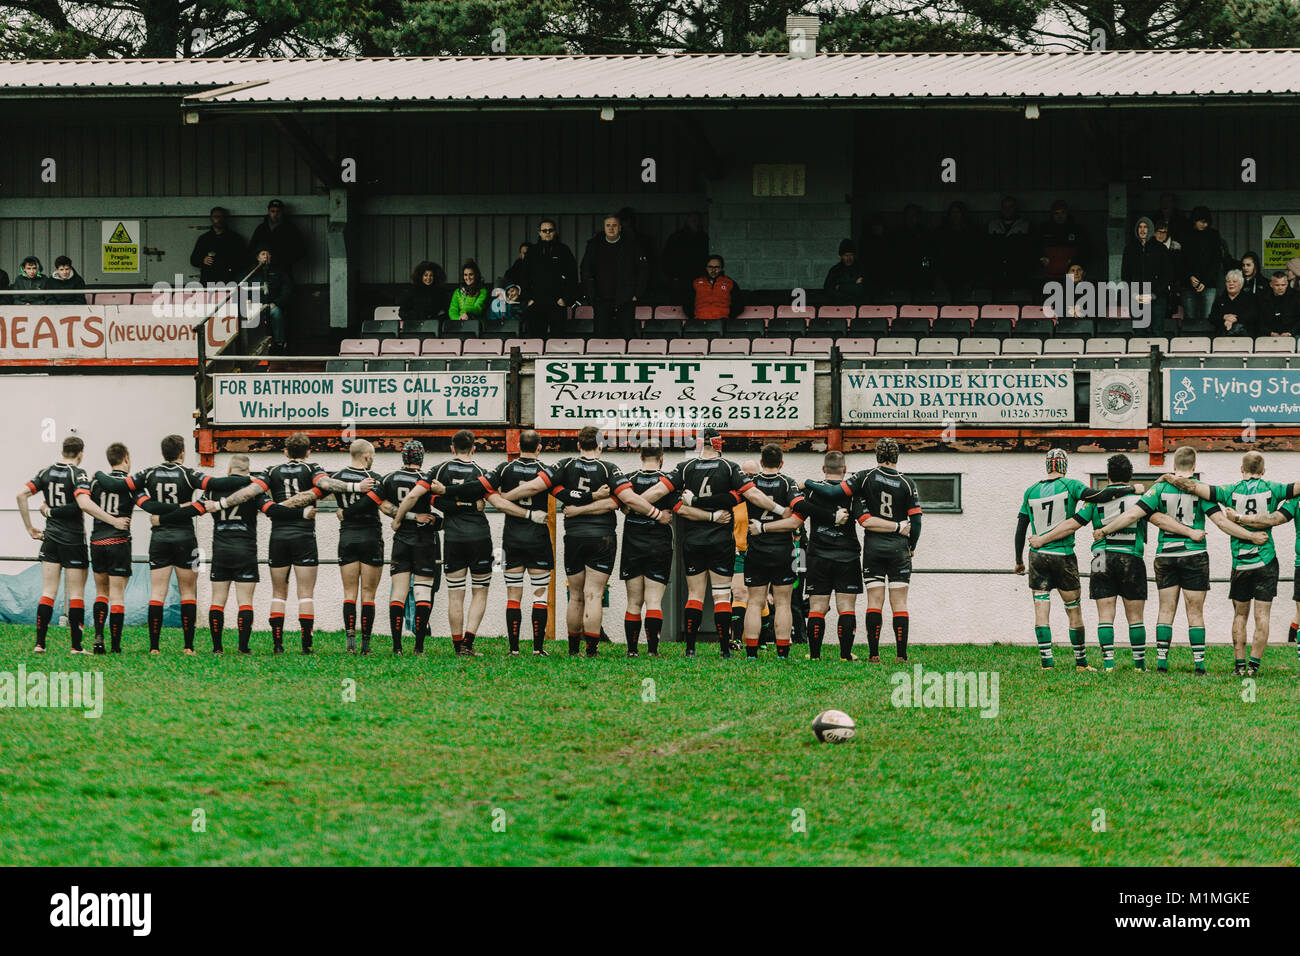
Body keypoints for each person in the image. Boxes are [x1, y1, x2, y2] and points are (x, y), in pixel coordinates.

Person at [1095, 446, 1265, 674]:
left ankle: (1162, 664)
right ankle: (1199, 666)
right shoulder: (1199, 491)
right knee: (1195, 611)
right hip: (1194, 554)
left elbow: (1132, 514)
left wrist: (1105, 530)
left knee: (1166, 609)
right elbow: (1222, 523)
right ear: (1194, 467)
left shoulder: (1161, 488)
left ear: (1173, 466)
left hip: (1166, 555)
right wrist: (1251, 536)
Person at [507, 425, 669, 657]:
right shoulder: (609, 468)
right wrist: (656, 513)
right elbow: (626, 500)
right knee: (593, 594)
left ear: (578, 445)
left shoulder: (565, 465)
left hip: (574, 536)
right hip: (602, 537)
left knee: (575, 595)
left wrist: (505, 497)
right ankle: (591, 650)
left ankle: (573, 650)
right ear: (601, 446)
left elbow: (534, 486)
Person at [92, 435, 258, 654]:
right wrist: (252, 481)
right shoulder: (188, 474)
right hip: (187, 537)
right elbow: (215, 486)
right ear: (182, 452)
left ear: (163, 453)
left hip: (159, 538)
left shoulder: (148, 473)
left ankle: (154, 648)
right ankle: (188, 647)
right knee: (188, 591)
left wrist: (100, 474)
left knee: (157, 593)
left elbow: (118, 484)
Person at [150, 454, 314, 654]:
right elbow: (272, 510)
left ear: (229, 469)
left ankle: (217, 648)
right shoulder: (254, 488)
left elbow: (193, 510)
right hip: (246, 549)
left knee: (218, 599)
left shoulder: (213, 489)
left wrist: (162, 519)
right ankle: (243, 647)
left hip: (221, 549)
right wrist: (301, 513)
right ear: (248, 470)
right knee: (245, 601)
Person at [1156, 452, 1300, 677]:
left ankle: (1239, 666)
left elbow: (1193, 487)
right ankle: (1253, 668)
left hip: (1241, 564)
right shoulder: (1275, 488)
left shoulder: (1228, 491)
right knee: (1262, 616)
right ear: (1264, 471)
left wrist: (1169, 478)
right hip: (1266, 559)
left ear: (1241, 469)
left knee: (1240, 615)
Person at [1028, 456, 1178, 670]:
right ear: (1129, 476)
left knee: (1104, 613)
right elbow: (1158, 519)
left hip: (1100, 559)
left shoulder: (1095, 500)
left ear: (1107, 476)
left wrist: (1043, 538)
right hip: (1131, 557)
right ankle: (1139, 665)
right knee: (1135, 615)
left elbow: (1073, 524)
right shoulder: (1139, 499)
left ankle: (1108, 664)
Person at [658, 427, 793, 658]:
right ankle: (724, 650)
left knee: (695, 595)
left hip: (693, 539)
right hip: (721, 540)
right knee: (721, 595)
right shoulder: (730, 467)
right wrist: (781, 510)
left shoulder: (685, 467)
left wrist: (639, 503)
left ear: (699, 443)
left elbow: (662, 493)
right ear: (719, 444)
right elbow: (753, 495)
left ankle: (690, 649)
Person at [801, 438, 921, 662]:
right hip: (864, 553)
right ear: (844, 469)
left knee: (824, 605)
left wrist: (807, 483)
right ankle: (869, 655)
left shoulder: (863, 479)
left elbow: (809, 507)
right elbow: (914, 520)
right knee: (869, 605)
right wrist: (910, 542)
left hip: (842, 552)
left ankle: (856, 655)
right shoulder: (903, 484)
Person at [262, 432, 375, 654]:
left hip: (278, 537)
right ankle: (306, 646)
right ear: (309, 451)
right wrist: (356, 487)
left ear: (285, 452)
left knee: (278, 593)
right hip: (304, 536)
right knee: (305, 593)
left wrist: (277, 509)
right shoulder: (312, 468)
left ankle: (277, 645)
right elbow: (325, 484)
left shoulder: (271, 471)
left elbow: (259, 495)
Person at [16, 436, 129, 654]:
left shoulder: (45, 472)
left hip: (50, 539)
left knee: (48, 591)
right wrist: (113, 520)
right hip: (73, 539)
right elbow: (83, 504)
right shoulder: (78, 474)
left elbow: (21, 494)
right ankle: (76, 647)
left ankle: (40, 644)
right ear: (80, 454)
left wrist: (30, 528)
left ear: (63, 451)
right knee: (76, 593)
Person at [393, 430, 494, 656]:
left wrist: (398, 519)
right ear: (474, 448)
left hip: (453, 537)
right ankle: (468, 642)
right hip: (480, 536)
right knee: (480, 591)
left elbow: (412, 497)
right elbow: (496, 500)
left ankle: (458, 645)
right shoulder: (482, 472)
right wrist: (470, 505)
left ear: (452, 448)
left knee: (455, 594)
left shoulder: (439, 470)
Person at [480, 430, 560, 656]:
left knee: (513, 595)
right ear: (539, 448)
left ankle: (513, 649)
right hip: (538, 538)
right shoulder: (546, 471)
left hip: (512, 538)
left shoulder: (504, 469)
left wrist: (503, 497)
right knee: (540, 595)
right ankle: (538, 649)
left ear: (517, 445)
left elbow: (485, 490)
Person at [368, 441, 443, 654]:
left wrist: (401, 518)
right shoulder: (427, 480)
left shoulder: (389, 478)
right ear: (422, 457)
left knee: (398, 592)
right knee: (422, 592)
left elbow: (380, 504)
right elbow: (440, 505)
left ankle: (397, 647)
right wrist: (433, 520)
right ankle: (419, 647)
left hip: (401, 540)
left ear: (403, 457)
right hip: (425, 541)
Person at [738, 445, 804, 660]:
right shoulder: (788, 483)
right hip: (782, 550)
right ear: (781, 463)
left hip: (756, 549)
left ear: (761, 462)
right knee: (784, 602)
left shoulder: (751, 483)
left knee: (754, 602)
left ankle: (751, 654)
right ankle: (783, 653)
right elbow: (796, 517)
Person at [791, 452, 859, 661]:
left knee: (817, 607)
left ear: (823, 469)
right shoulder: (852, 492)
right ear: (845, 470)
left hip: (818, 555)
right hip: (847, 555)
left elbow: (797, 513)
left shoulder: (812, 492)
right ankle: (845, 656)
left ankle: (814, 655)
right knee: (846, 607)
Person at [614, 444, 681, 657]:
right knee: (654, 600)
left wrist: (630, 507)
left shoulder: (628, 479)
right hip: (659, 543)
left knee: (633, 601)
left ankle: (632, 651)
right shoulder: (668, 480)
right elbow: (677, 508)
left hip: (633, 542)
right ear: (661, 458)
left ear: (640, 455)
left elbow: (621, 505)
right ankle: (653, 651)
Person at [331, 440, 385, 654]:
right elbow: (386, 506)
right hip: (371, 536)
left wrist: (344, 512)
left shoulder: (336, 478)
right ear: (366, 456)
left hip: (347, 537)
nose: (373, 459)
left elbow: (322, 488)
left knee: (349, 592)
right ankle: (366, 644)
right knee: (368, 593)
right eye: (372, 455)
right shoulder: (376, 480)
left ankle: (350, 641)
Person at [84, 443, 136, 654]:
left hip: (97, 542)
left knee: (101, 593)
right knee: (117, 595)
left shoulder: (96, 483)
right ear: (126, 458)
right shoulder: (131, 484)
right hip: (119, 542)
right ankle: (115, 645)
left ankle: (98, 637)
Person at [581, 213, 649, 340]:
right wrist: (591, 294)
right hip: (601, 299)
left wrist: (637, 294)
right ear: (604, 227)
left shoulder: (631, 245)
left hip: (626, 299)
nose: (611, 228)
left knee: (627, 335)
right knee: (600, 336)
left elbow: (643, 271)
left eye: (614, 225)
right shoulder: (594, 246)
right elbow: (585, 270)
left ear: (620, 228)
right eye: (608, 225)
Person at [522, 219, 579, 339]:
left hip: (557, 303)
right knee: (536, 339)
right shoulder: (532, 251)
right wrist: (529, 299)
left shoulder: (563, 250)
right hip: (536, 302)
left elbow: (572, 276)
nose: (547, 232)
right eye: (544, 230)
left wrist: (565, 298)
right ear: (539, 232)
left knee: (557, 340)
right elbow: (524, 276)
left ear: (555, 232)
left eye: (550, 230)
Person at [1181, 206, 1231, 327]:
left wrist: (1205, 281)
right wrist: (1189, 277)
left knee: (1209, 318)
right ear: (1195, 220)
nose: (1205, 225)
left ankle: (1208, 344)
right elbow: (1180, 261)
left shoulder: (1213, 235)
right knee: (1190, 319)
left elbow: (1216, 261)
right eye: (1202, 221)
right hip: (1189, 284)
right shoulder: (1185, 235)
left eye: (1207, 222)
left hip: (1208, 284)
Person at [1121, 217, 1171, 334]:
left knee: (1157, 332)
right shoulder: (1129, 249)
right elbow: (1125, 275)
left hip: (1157, 297)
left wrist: (1154, 294)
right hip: (1137, 297)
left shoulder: (1161, 249)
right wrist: (1134, 294)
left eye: (1145, 227)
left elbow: (1167, 275)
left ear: (1151, 229)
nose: (1142, 230)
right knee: (1139, 333)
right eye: (1140, 227)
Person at [933, 202, 982, 303]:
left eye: (958, 212)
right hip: (946, 275)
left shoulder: (972, 232)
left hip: (966, 276)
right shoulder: (941, 232)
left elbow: (976, 256)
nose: (955, 215)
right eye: (953, 212)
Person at [248, 247, 294, 351]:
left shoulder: (279, 272)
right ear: (257, 257)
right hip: (255, 306)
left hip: (272, 305)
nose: (266, 257)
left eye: (268, 254)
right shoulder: (251, 272)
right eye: (263, 254)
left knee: (276, 312)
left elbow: (287, 290)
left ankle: (279, 343)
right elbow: (243, 289)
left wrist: (276, 302)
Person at [986, 196, 1031, 298]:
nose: (1008, 210)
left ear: (1015, 208)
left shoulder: (1025, 225)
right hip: (997, 274)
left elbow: (1030, 251)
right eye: (1005, 207)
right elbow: (987, 251)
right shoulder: (992, 225)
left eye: (1010, 207)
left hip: (1018, 273)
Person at [247, 199, 305, 277]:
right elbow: (252, 247)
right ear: (268, 212)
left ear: (282, 212)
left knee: (285, 287)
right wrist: (259, 258)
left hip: (283, 269)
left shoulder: (291, 229)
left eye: (278, 211)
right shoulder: (261, 228)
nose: (275, 214)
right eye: (272, 211)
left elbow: (300, 249)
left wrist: (285, 260)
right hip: (263, 268)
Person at [190, 207, 247, 285]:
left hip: (228, 280)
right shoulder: (204, 239)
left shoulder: (235, 239)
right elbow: (193, 260)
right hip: (208, 281)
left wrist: (229, 265)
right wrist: (203, 260)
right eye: (216, 217)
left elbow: (244, 261)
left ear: (226, 219)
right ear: (211, 218)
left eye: (222, 217)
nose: (219, 219)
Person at [1037, 200, 1089, 284]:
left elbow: (1085, 249)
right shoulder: (1044, 229)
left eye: (1062, 213)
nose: (1060, 216)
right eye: (1056, 213)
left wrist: (1075, 262)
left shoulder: (1076, 229)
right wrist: (1042, 258)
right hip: (1050, 271)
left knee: (1071, 295)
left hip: (1071, 271)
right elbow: (1036, 247)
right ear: (1052, 215)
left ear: (1067, 214)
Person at [660, 212, 709, 302]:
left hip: (697, 279)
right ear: (687, 222)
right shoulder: (676, 238)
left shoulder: (703, 238)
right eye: (693, 221)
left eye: (698, 221)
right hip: (680, 279)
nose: (696, 223)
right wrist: (672, 276)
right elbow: (667, 259)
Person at [893, 204, 934, 298]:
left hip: (921, 276)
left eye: (914, 215)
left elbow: (929, 254)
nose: (911, 218)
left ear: (918, 217)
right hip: (902, 275)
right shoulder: (898, 234)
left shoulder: (925, 234)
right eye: (908, 215)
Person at [688, 255, 742, 321]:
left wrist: (729, 317)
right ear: (706, 268)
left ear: (721, 268)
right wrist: (695, 317)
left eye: (717, 267)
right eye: (710, 267)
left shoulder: (729, 283)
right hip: (699, 321)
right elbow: (687, 303)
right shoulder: (696, 283)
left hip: (722, 322)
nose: (713, 270)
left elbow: (739, 304)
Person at [1207, 269, 1259, 337]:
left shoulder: (1249, 298)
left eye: (1234, 281)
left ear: (1241, 284)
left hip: (1245, 336)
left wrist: (1236, 319)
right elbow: (1212, 317)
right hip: (1222, 336)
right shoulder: (1220, 299)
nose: (1231, 283)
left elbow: (1253, 315)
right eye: (1228, 281)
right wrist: (1224, 317)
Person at [398, 261, 449, 328]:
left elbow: (446, 312)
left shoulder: (441, 292)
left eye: (431, 275)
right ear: (420, 276)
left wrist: (436, 318)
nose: (428, 278)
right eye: (426, 275)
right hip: (415, 328)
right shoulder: (411, 291)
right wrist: (420, 315)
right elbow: (402, 313)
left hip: (435, 327)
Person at [447, 260, 489, 329]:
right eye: (465, 275)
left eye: (471, 274)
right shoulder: (457, 292)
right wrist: (459, 318)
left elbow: (478, 308)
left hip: (476, 325)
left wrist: (466, 313)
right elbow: (452, 310)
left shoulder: (482, 291)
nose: (468, 278)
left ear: (476, 275)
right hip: (459, 324)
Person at [823, 239, 866, 306]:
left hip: (856, 307)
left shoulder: (860, 269)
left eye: (851, 255)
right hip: (838, 307)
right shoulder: (835, 270)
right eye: (846, 255)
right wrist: (853, 284)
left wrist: (840, 287)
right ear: (841, 256)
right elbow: (829, 290)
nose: (849, 258)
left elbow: (861, 289)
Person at [1260, 271, 1300, 337]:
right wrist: (1270, 333)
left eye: (1283, 285)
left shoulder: (1296, 296)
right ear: (1271, 285)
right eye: (1277, 285)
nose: (1280, 288)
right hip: (1268, 334)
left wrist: (1290, 333)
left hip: (1292, 334)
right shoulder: (1263, 297)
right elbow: (1258, 320)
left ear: (1287, 284)